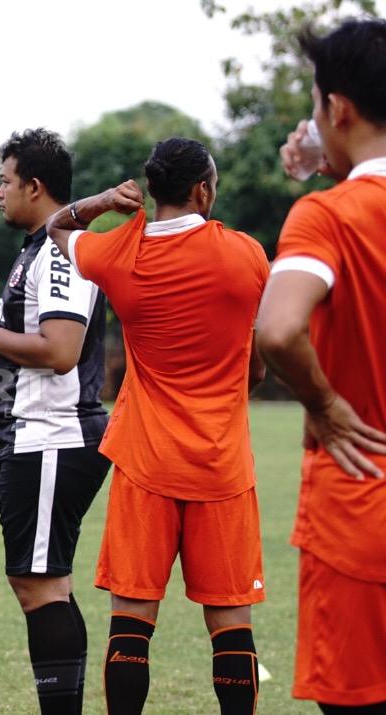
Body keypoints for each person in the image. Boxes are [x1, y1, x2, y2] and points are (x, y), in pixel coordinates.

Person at [46, 138, 269, 715]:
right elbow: (262, 356)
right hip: (223, 466)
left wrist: (98, 204)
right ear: (202, 189)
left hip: (145, 463)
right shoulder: (246, 255)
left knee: (132, 619)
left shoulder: (120, 252)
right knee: (230, 621)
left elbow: (55, 227)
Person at [0, 128, 109, 714]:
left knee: (41, 586)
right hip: (37, 441)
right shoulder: (38, 249)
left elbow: (61, 349)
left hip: (54, 437)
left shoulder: (62, 252)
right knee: (42, 584)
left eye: (6, 181)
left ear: (34, 186)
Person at [257, 18, 386, 713]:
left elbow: (278, 328)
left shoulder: (327, 217)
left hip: (361, 501)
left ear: (337, 107)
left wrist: (325, 404)